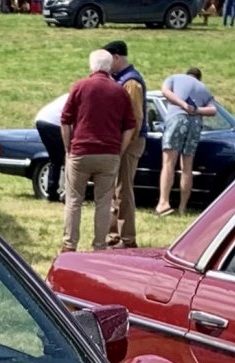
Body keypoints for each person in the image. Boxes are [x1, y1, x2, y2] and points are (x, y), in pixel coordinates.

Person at [59, 49, 134, 253]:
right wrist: (119, 150)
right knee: (103, 202)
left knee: (74, 201)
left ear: (91, 66)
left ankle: (69, 244)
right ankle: (99, 246)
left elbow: (65, 120)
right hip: (109, 153)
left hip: (81, 150)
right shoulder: (120, 91)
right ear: (109, 67)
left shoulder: (80, 86)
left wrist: (68, 148)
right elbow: (130, 126)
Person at [155, 66, 216, 216]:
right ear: (199, 78)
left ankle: (164, 203)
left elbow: (165, 91)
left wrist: (183, 105)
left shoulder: (174, 78)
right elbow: (213, 110)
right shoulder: (203, 88)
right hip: (195, 124)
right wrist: (196, 110)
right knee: (187, 167)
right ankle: (182, 207)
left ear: (187, 74)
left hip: (177, 119)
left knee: (169, 162)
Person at [104, 41, 145, 249]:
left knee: (124, 190)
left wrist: (124, 145)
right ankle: (114, 234)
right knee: (114, 189)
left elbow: (135, 119)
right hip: (121, 142)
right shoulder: (120, 80)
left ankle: (127, 238)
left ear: (117, 58)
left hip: (130, 142)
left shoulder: (131, 83)